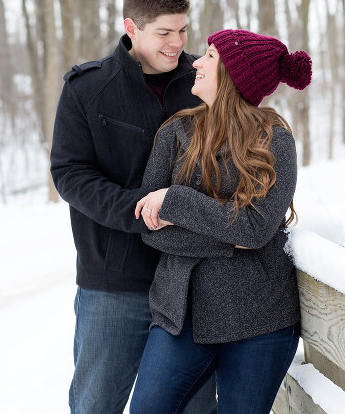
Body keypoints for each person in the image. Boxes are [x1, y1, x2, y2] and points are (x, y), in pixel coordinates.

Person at [50, 0, 217, 413]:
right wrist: (140, 209)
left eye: (183, 30)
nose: (177, 42)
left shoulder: (206, 85)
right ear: (132, 28)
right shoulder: (86, 89)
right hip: (114, 284)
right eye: (164, 32)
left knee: (195, 407)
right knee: (96, 404)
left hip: (190, 282)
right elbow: (69, 173)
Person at [128, 29, 311, 413]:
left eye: (210, 57)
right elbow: (149, 226)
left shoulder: (274, 139)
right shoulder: (175, 132)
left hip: (259, 318)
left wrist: (175, 201)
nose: (196, 61)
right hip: (181, 314)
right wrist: (237, 238)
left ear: (234, 75)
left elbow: (256, 229)